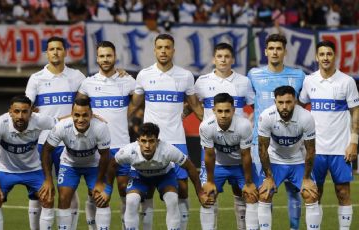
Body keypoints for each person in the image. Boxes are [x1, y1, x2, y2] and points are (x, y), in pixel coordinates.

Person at [129, 33, 204, 230]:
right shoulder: (144, 75)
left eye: (167, 47)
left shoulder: (185, 76)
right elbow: (133, 107)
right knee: (147, 189)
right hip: (150, 142)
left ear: (173, 50)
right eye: (160, 47)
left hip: (177, 141)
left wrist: (212, 128)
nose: (163, 50)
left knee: (182, 189)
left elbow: (195, 106)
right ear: (154, 50)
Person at [93, 122, 212, 230]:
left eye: (151, 141)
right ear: (138, 141)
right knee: (131, 201)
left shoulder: (168, 150)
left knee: (172, 199)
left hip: (164, 176)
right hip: (140, 176)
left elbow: (190, 167)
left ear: (157, 141)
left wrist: (200, 193)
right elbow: (112, 165)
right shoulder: (129, 151)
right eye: (144, 141)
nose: (147, 145)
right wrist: (108, 189)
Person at [299, 40, 359, 230]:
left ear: (335, 56)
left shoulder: (347, 81)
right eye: (322, 54)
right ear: (317, 57)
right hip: (315, 149)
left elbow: (356, 113)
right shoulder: (309, 81)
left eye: (329, 54)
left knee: (343, 192)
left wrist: (354, 142)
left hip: (340, 149)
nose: (325, 57)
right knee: (314, 193)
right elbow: (300, 107)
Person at [25, 36, 86, 230]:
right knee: (38, 191)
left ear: (65, 51)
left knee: (68, 191)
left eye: (59, 48)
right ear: (46, 53)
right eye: (51, 49)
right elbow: (26, 108)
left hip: (68, 143)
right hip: (41, 142)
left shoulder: (77, 76)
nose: (55, 52)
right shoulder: (36, 78)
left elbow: (89, 102)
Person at [194, 42, 254, 229]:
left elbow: (254, 106)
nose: (223, 60)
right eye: (219, 56)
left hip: (238, 144)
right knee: (208, 195)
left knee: (244, 194)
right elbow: (192, 104)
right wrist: (205, 122)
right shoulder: (202, 81)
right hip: (214, 145)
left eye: (227, 56)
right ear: (214, 59)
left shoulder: (244, 81)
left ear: (233, 59)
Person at [248, 33, 305, 230]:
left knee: (294, 191)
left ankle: (294, 228)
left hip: (293, 145)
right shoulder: (254, 75)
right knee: (264, 191)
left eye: (278, 48)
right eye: (271, 48)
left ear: (284, 52)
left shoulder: (298, 76)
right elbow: (250, 104)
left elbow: (302, 107)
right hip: (261, 143)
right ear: (265, 51)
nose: (274, 52)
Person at [76, 40, 136, 229]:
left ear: (115, 56)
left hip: (123, 146)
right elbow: (77, 110)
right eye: (102, 56)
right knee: (95, 192)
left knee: (124, 190)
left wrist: (130, 112)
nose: (105, 59)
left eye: (109, 55)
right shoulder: (88, 83)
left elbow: (140, 100)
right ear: (97, 58)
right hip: (97, 148)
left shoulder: (127, 80)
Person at [38, 97, 111, 230]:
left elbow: (105, 156)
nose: (80, 119)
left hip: (93, 166)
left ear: (91, 115)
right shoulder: (61, 126)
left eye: (85, 115)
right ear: (72, 114)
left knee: (101, 197)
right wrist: (48, 179)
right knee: (64, 197)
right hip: (69, 165)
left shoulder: (100, 127)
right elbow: (46, 151)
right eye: (76, 115)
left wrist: (100, 181)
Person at [0, 95, 56, 230]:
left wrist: (90, 118)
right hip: (6, 170)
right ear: (10, 112)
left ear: (32, 112)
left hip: (33, 169)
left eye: (25, 111)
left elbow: (62, 122)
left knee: (48, 198)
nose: (20, 116)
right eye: (16, 111)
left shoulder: (40, 120)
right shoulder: (0, 123)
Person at [257, 86, 321, 230]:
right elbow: (262, 149)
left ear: (295, 101)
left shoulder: (306, 117)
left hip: (298, 161)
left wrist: (306, 179)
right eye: (280, 102)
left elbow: (311, 150)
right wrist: (268, 177)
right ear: (275, 102)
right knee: (264, 194)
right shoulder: (266, 116)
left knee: (311, 194)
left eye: (288, 102)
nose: (284, 106)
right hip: (275, 160)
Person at [199, 93, 259, 230]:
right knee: (208, 197)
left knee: (251, 196)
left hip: (240, 166)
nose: (223, 115)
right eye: (219, 111)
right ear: (213, 110)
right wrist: (209, 181)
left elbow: (246, 155)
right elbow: (208, 155)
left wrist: (249, 183)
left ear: (233, 110)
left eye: (227, 111)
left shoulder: (244, 125)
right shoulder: (206, 126)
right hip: (218, 165)